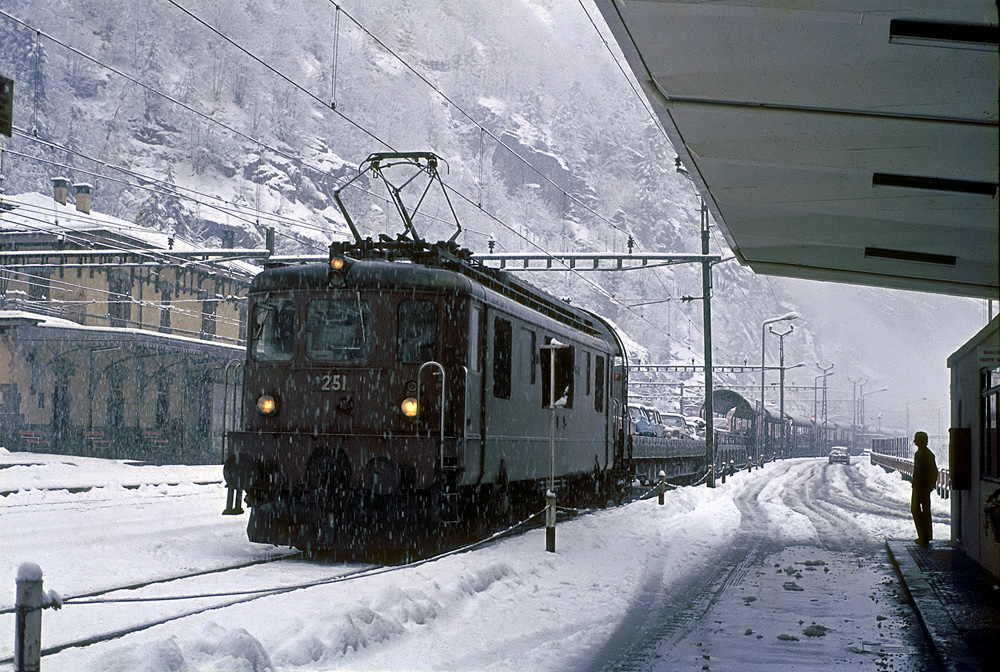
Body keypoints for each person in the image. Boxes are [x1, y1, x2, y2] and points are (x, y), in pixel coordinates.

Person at [911, 431, 938, 545]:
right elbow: (935, 471)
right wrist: (931, 485)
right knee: (925, 511)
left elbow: (919, 472)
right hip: (924, 487)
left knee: (916, 509)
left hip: (919, 487)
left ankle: (923, 536)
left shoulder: (920, 454)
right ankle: (926, 536)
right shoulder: (928, 453)